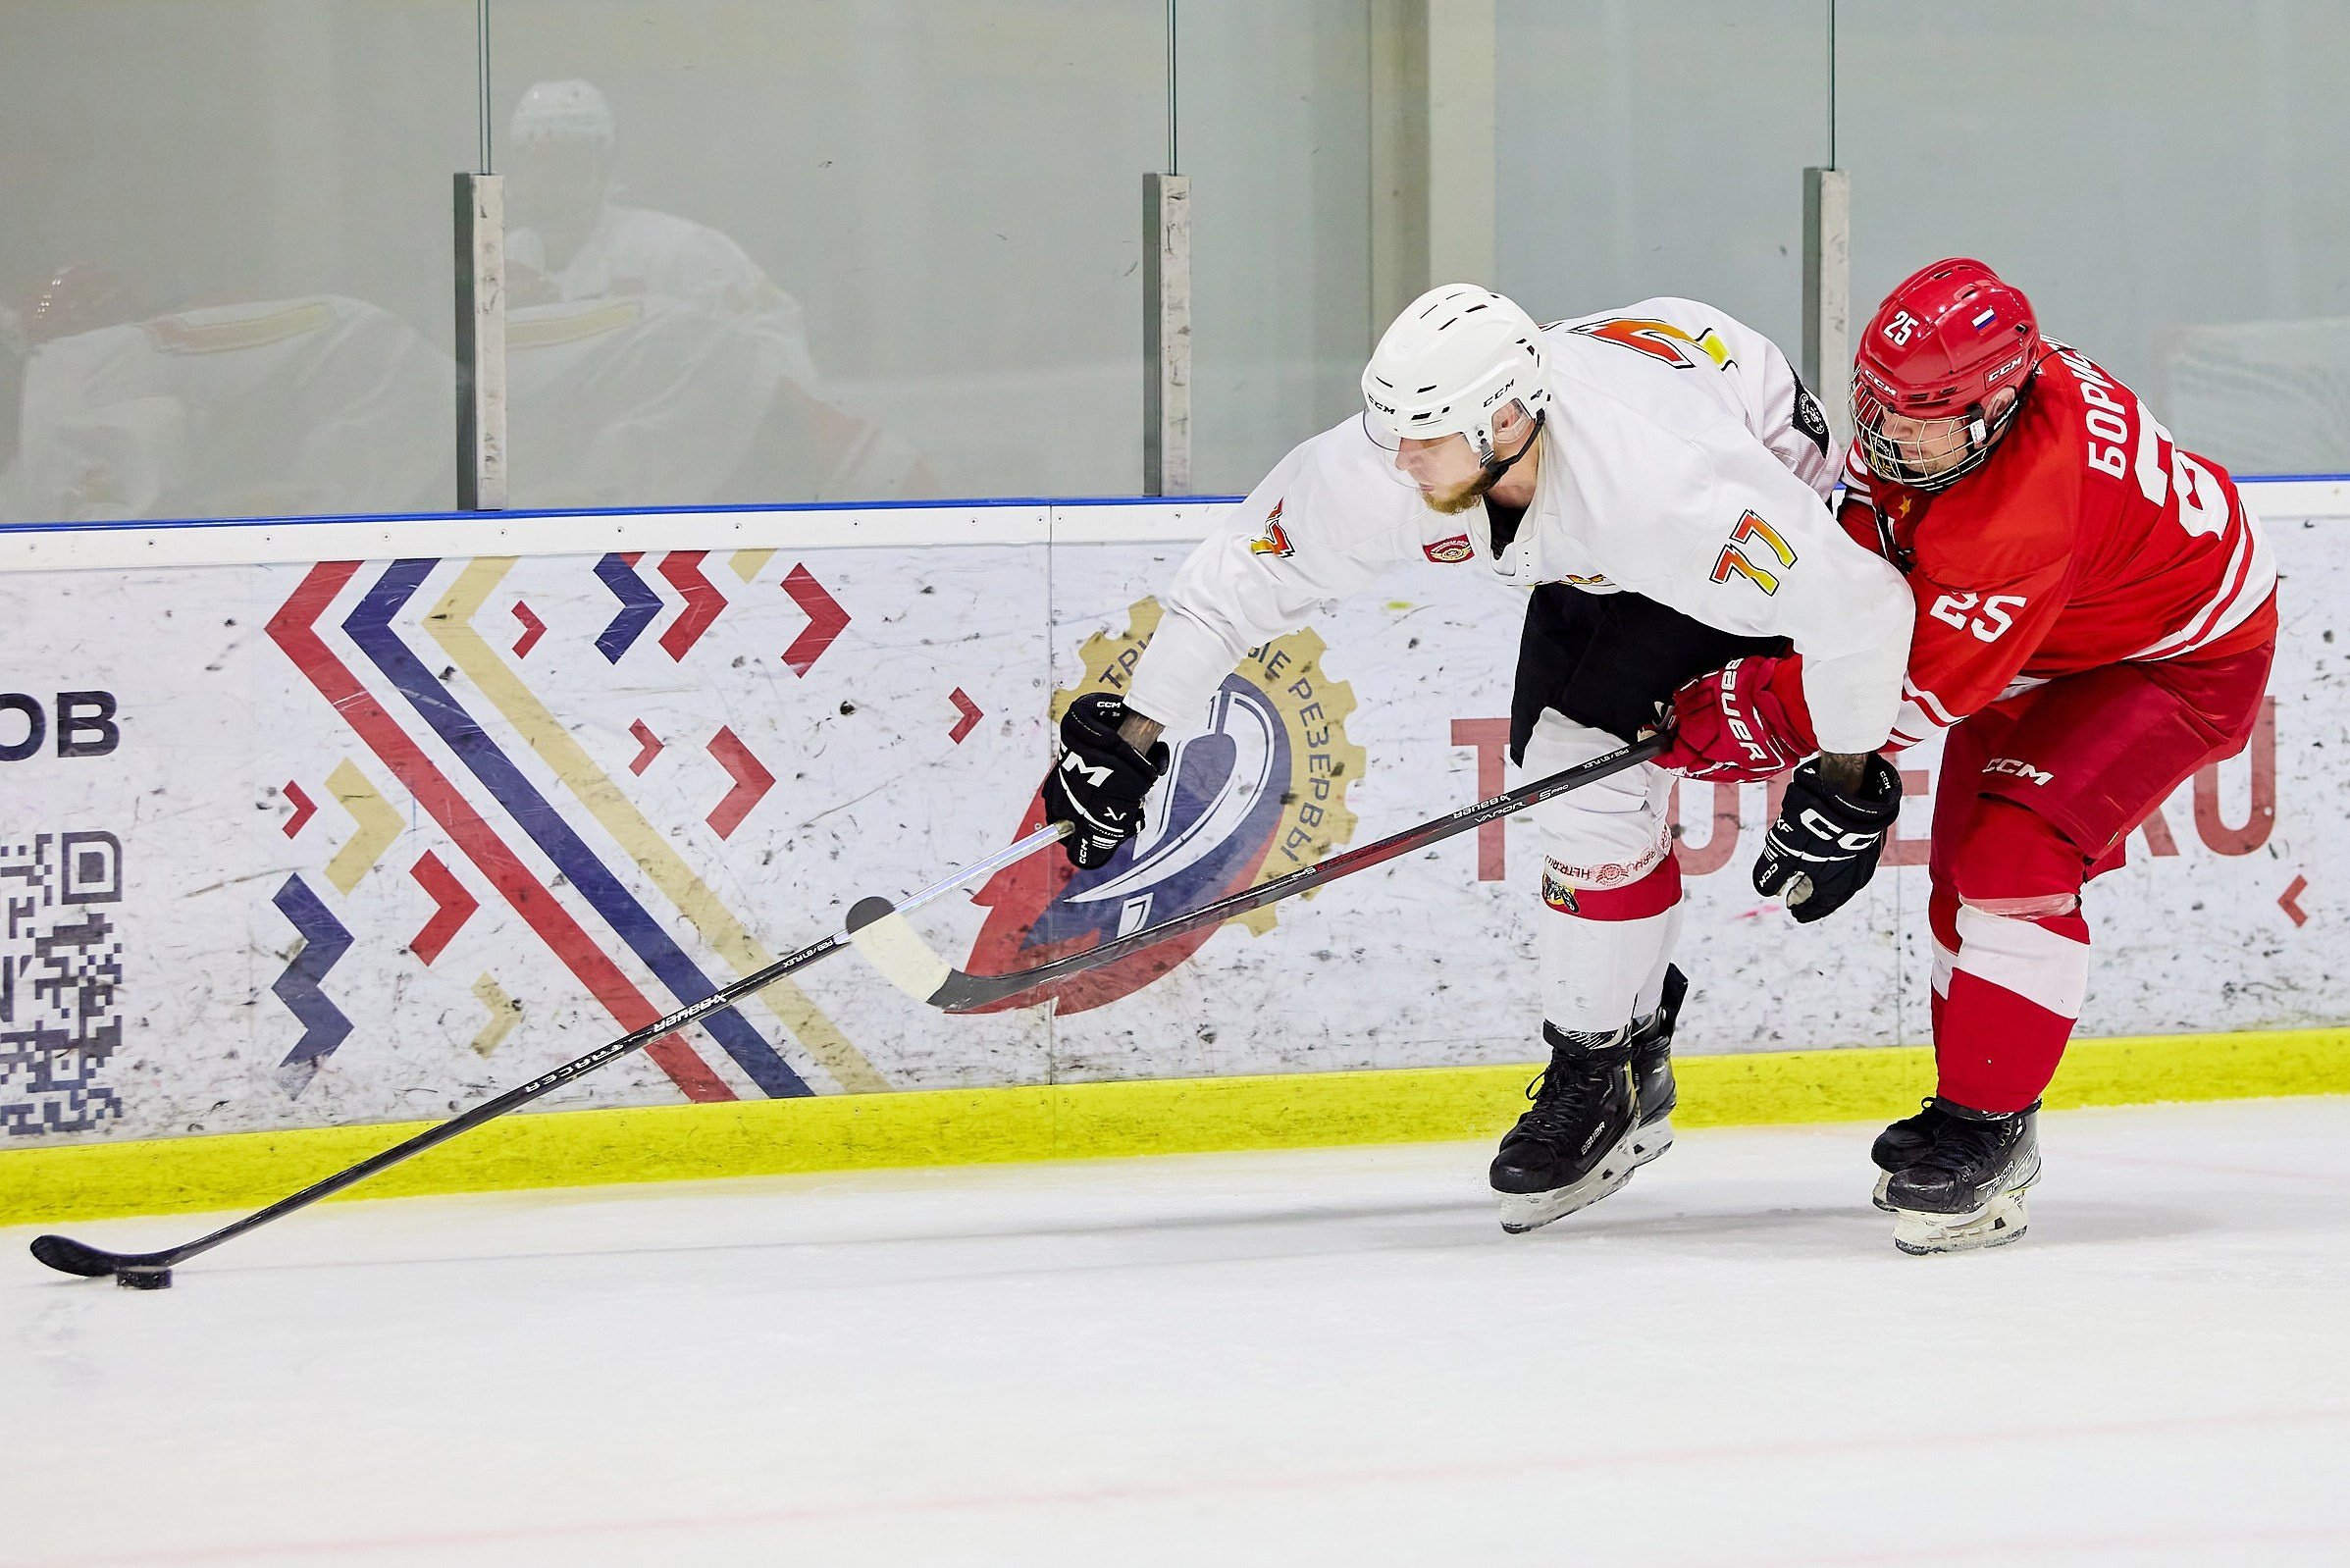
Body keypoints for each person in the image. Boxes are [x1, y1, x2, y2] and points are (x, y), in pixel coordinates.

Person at [1036, 285, 1917, 1232]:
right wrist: (1133, 735)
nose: (1399, 458)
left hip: (1735, 447)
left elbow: (1862, 611)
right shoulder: (1404, 452)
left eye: (1425, 438)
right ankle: (1627, 1048)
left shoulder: (1677, 488)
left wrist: (1844, 780)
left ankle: (1601, 1071)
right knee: (1560, 781)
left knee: (1590, 784)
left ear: (1505, 418)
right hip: (1587, 523)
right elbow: (1239, 581)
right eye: (1391, 432)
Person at [1663, 258, 2277, 1254]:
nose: (1886, 436)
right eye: (1877, 405)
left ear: (1993, 410)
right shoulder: (1950, 419)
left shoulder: (2019, 516)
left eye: (1920, 421)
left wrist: (1759, 717)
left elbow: (1902, 699)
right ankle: (1968, 1104)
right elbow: (1877, 554)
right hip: (2055, 641)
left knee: (2011, 863)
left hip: (2178, 660)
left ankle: (1989, 1131)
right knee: (1958, 877)